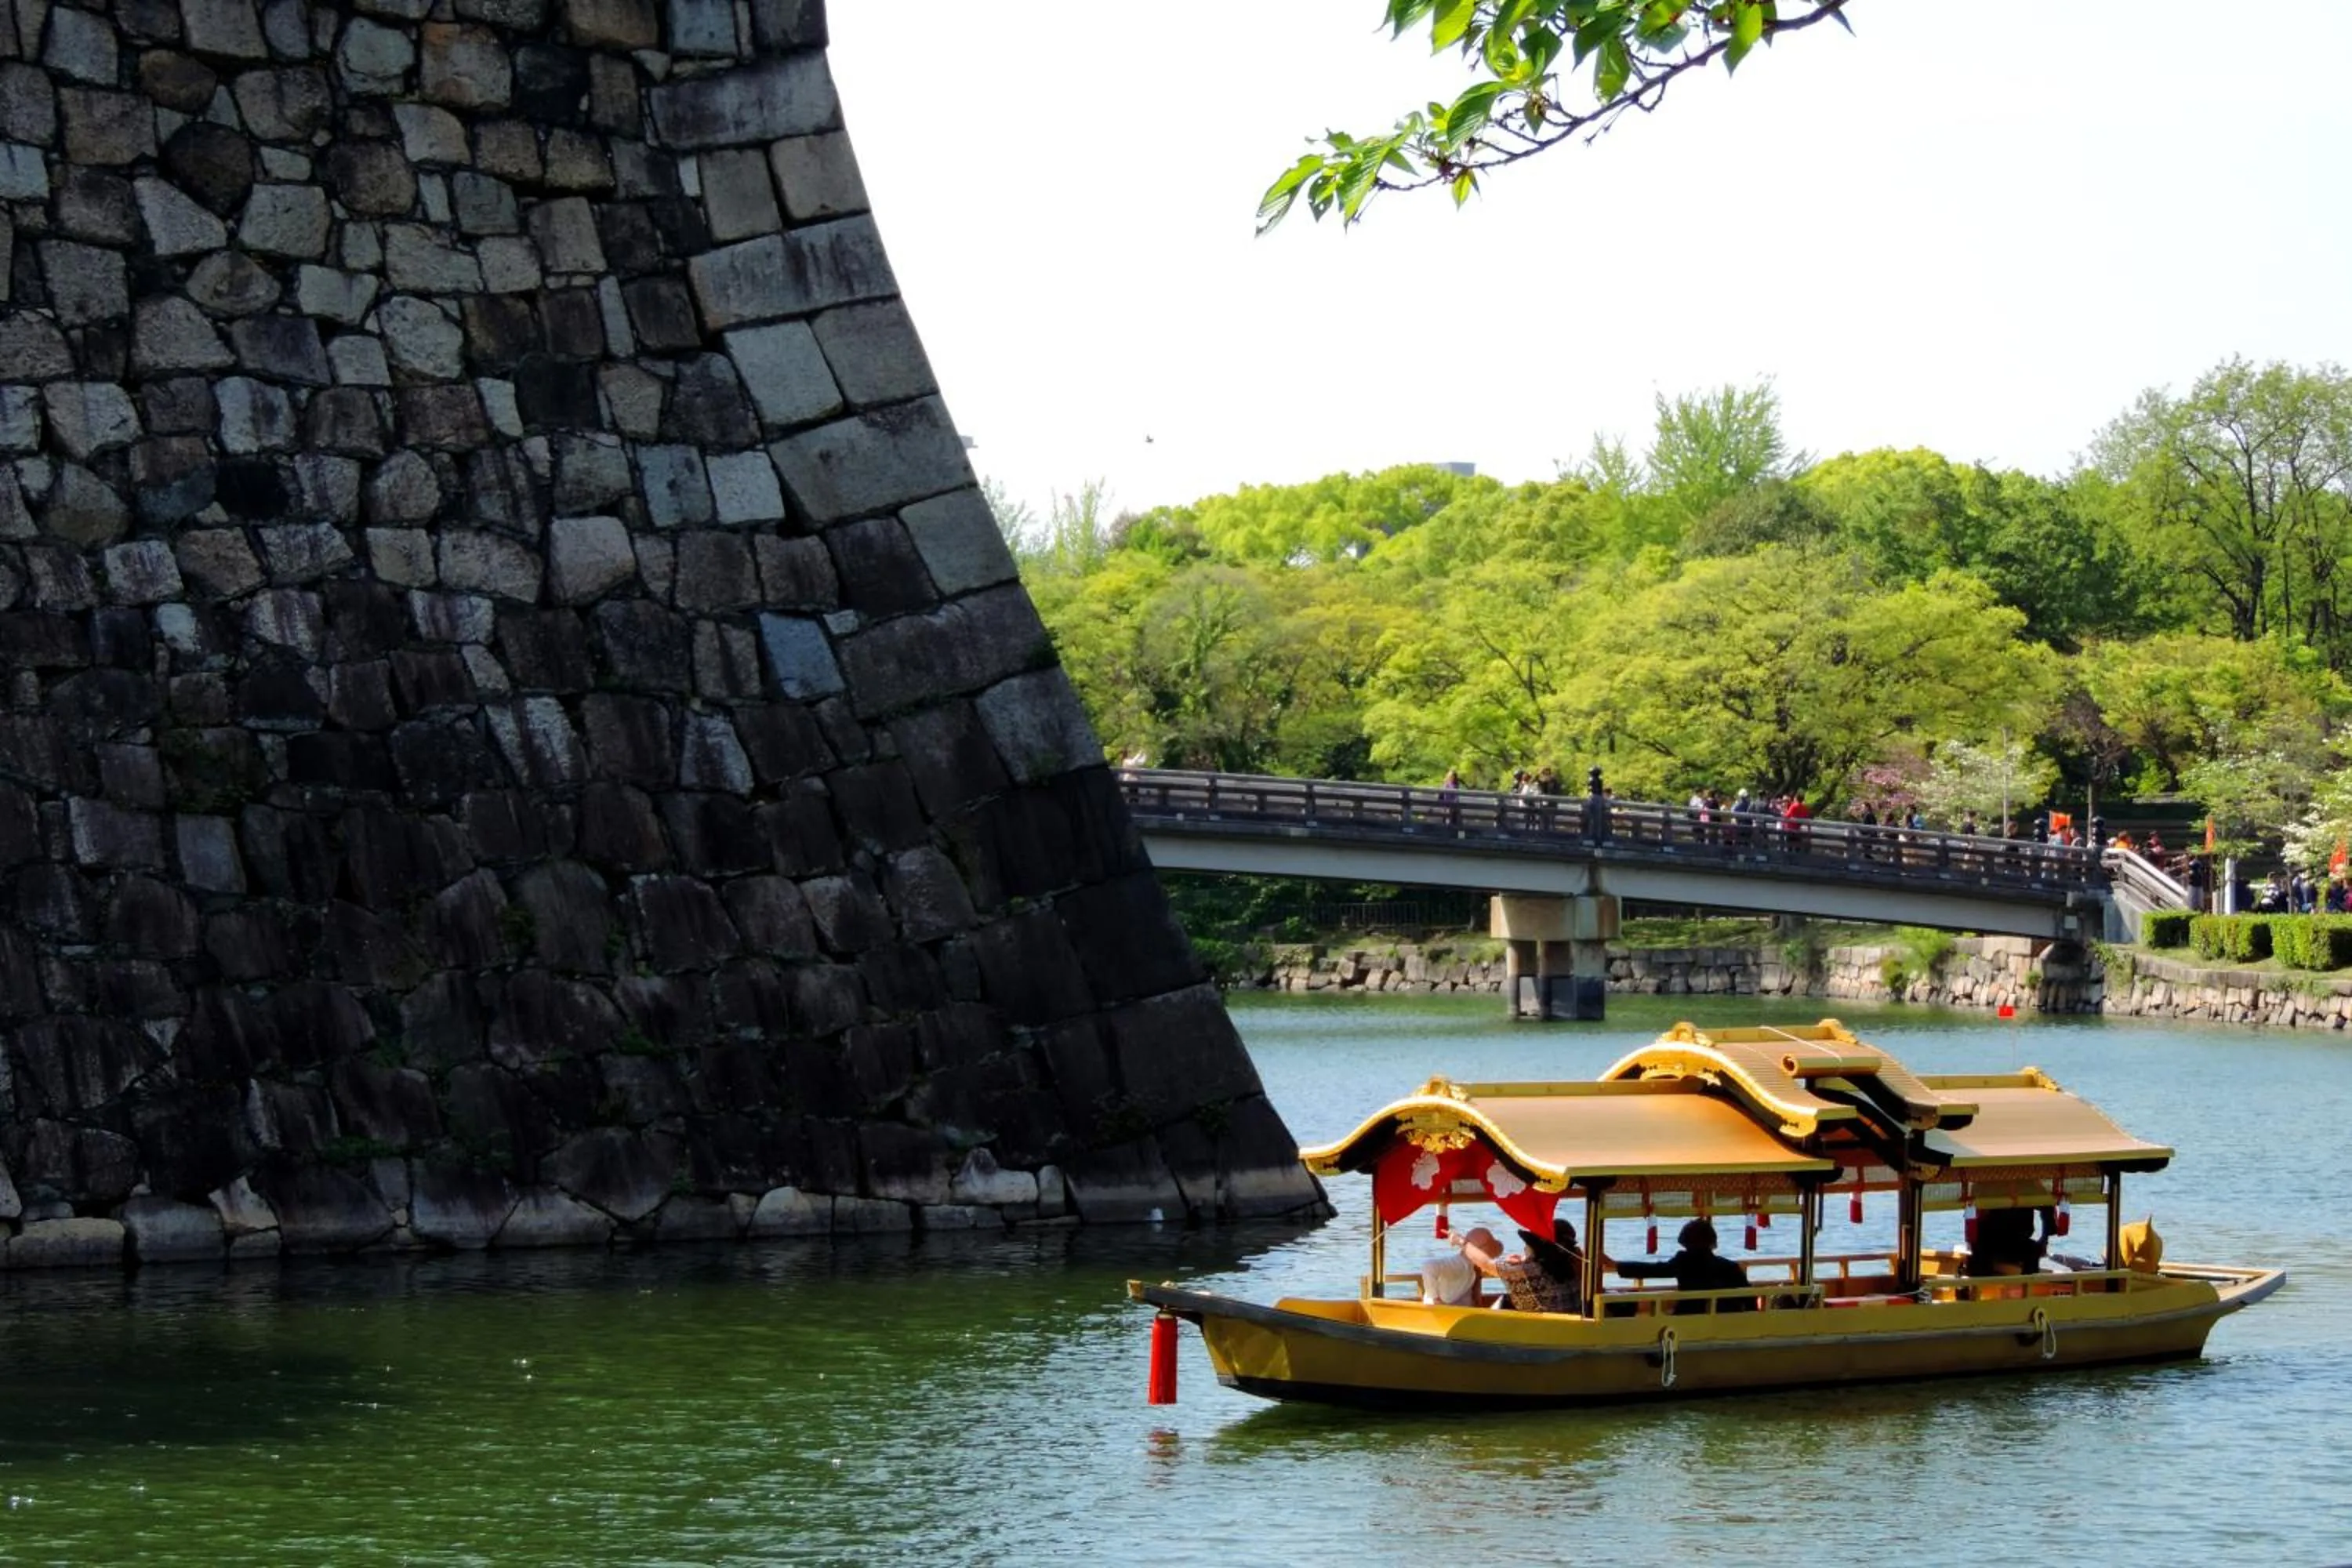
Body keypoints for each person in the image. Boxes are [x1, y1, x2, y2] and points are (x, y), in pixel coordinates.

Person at [1610, 1218, 1752, 1315]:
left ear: (1686, 1242)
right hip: (1727, 1321)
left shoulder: (1684, 1262)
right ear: (1712, 1242)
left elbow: (1654, 1270)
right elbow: (1750, 1299)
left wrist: (1616, 1265)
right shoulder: (1731, 1267)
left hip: (1689, 1317)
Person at [1496, 1218, 1586, 1315]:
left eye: (1528, 1244)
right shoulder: (1572, 1262)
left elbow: (1489, 1265)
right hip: (1575, 1320)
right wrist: (1525, 1260)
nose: (1525, 1248)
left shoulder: (1536, 1269)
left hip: (1553, 1323)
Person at [1965, 1205, 2048, 1277]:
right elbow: (1970, 1209)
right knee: (1979, 1253)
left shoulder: (2029, 1192)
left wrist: (2045, 1237)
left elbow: (2047, 1206)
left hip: (2017, 1240)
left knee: (2033, 1250)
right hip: (1988, 1240)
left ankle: (2028, 1286)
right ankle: (1979, 1286)